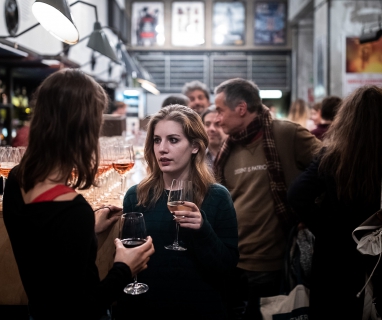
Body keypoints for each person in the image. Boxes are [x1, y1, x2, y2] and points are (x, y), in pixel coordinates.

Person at [2, 69, 154, 320]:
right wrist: (125, 269)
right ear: (84, 130)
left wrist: (88, 229)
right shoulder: (72, 209)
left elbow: (42, 250)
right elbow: (80, 307)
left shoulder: (17, 179)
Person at [114, 105, 239, 319]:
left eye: (173, 140)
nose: (162, 149)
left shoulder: (217, 196)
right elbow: (130, 265)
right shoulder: (137, 196)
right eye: (156, 140)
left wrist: (202, 229)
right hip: (147, 309)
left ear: (195, 146)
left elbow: (227, 267)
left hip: (200, 309)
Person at [213, 78, 321, 320]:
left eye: (220, 110)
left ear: (241, 108)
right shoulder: (226, 150)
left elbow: (333, 167)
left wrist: (312, 213)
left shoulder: (287, 134)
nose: (217, 118)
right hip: (234, 259)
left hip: (273, 262)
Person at [287, 85, 382, 320]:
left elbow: (297, 195)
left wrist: (327, 228)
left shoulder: (330, 157)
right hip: (377, 255)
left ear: (346, 119)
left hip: (335, 258)